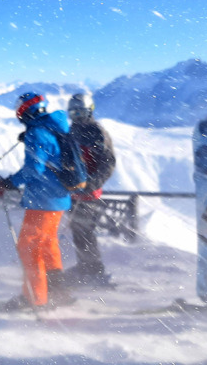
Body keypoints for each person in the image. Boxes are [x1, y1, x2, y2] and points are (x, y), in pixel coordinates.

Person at [0, 92, 73, 310]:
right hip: (57, 199)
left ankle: (34, 298)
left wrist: (8, 183)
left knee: (29, 247)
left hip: (43, 200)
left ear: (23, 112)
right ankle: (57, 292)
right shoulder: (54, 127)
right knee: (47, 246)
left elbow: (33, 170)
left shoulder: (37, 133)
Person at [63, 93, 116, 286]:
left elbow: (108, 162)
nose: (77, 117)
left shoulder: (96, 131)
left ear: (89, 111)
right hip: (75, 190)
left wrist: (93, 183)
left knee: (86, 231)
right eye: (73, 113)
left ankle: (94, 270)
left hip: (89, 193)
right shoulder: (72, 131)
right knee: (79, 232)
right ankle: (86, 267)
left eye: (80, 112)